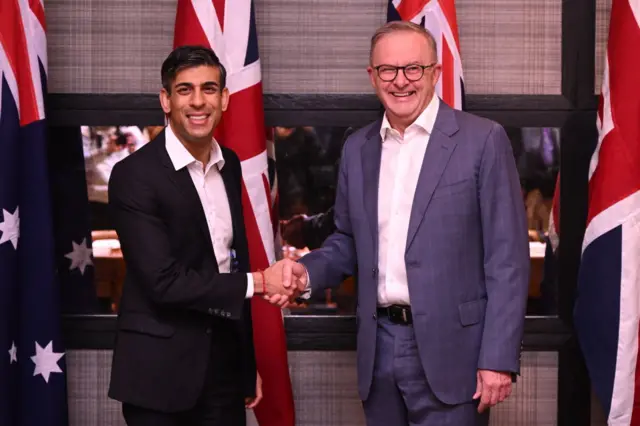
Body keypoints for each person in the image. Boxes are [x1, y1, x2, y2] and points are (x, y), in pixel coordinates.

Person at [278, 21, 530, 425]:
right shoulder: (358, 147)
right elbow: (346, 240)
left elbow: (508, 260)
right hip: (378, 349)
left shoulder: (482, 141)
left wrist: (498, 358)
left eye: (413, 69)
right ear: (372, 76)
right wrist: (304, 273)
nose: (400, 82)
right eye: (387, 70)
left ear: (435, 72)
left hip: (456, 353)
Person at [107, 45, 294, 426]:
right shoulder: (134, 176)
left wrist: (245, 363)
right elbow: (164, 283)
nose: (198, 102)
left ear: (224, 98)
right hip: (159, 377)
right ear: (165, 99)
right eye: (184, 90)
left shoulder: (230, 165)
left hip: (224, 372)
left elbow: (229, 263)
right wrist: (260, 283)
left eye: (209, 89)